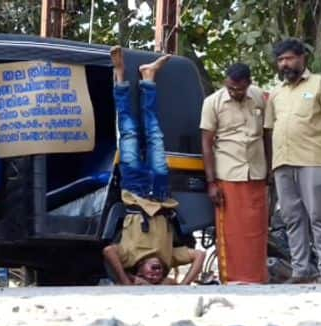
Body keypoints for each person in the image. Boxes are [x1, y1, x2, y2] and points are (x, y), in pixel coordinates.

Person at [102, 46, 205, 286]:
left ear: (140, 271)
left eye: (150, 276)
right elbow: (199, 255)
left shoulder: (129, 257)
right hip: (160, 194)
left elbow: (108, 251)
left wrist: (126, 281)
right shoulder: (169, 258)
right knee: (155, 133)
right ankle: (148, 78)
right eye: (158, 277)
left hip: (135, 193)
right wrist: (183, 284)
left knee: (128, 130)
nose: (155, 274)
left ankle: (120, 76)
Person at [264, 38, 321, 284]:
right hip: (282, 162)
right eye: (280, 60)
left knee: (319, 215)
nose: (284, 64)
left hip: (313, 159)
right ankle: (301, 270)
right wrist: (270, 164)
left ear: (302, 58)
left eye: (288, 58)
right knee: (291, 218)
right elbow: (269, 129)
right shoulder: (276, 93)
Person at [200, 63, 269, 284]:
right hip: (227, 175)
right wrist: (211, 182)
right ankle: (232, 279)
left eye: (239, 89)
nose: (235, 92)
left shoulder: (260, 97)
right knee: (231, 233)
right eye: (231, 88)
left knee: (257, 232)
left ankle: (257, 278)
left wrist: (271, 167)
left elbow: (268, 134)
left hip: (257, 173)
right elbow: (206, 143)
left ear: (249, 84)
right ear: (225, 83)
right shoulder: (212, 102)